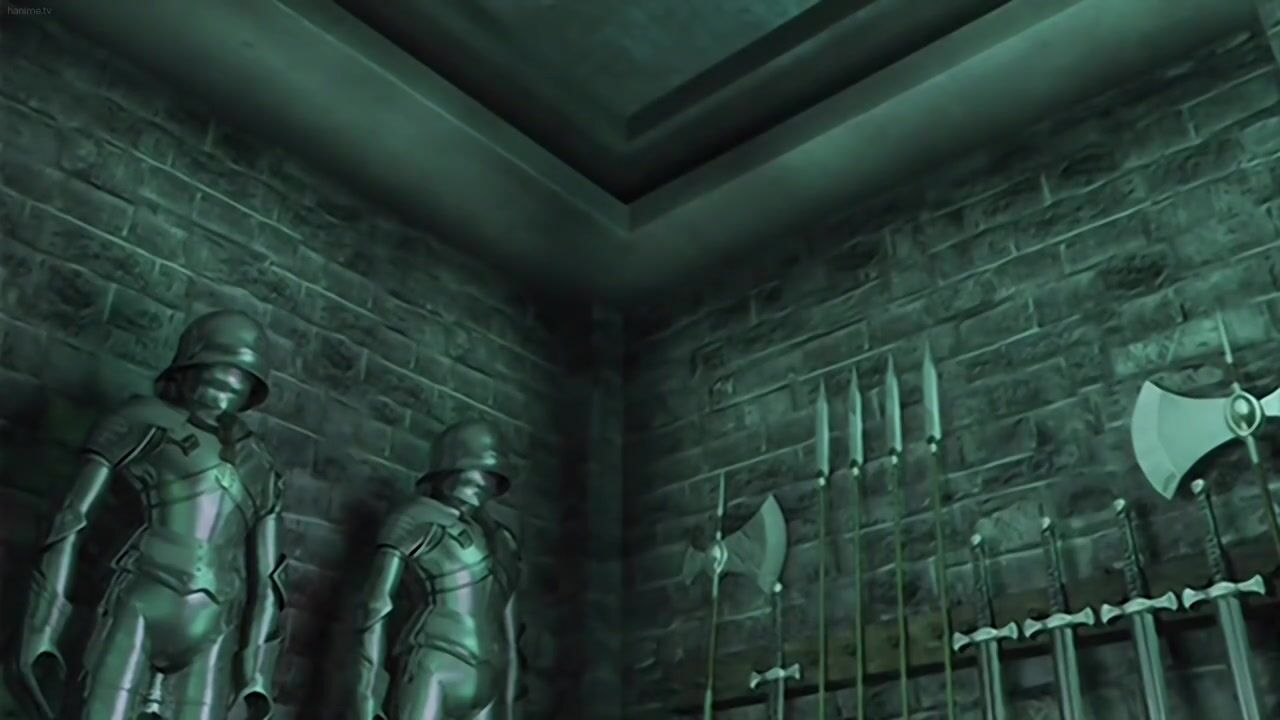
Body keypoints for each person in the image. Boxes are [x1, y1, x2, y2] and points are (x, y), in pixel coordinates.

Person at [16, 310, 287, 720]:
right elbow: (71, 520)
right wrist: (43, 624)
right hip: (141, 599)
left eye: (238, 377)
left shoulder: (260, 465)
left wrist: (256, 672)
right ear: (189, 370)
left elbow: (269, 582)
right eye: (216, 373)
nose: (225, 385)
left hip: (213, 623)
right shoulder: (143, 420)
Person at [352, 418, 521, 720]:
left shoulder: (502, 542)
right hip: (434, 665)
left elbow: (510, 636)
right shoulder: (415, 517)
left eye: (491, 475)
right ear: (451, 468)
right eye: (478, 471)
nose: (483, 482)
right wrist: (366, 695)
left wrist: (508, 707)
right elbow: (374, 608)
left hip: (487, 679)